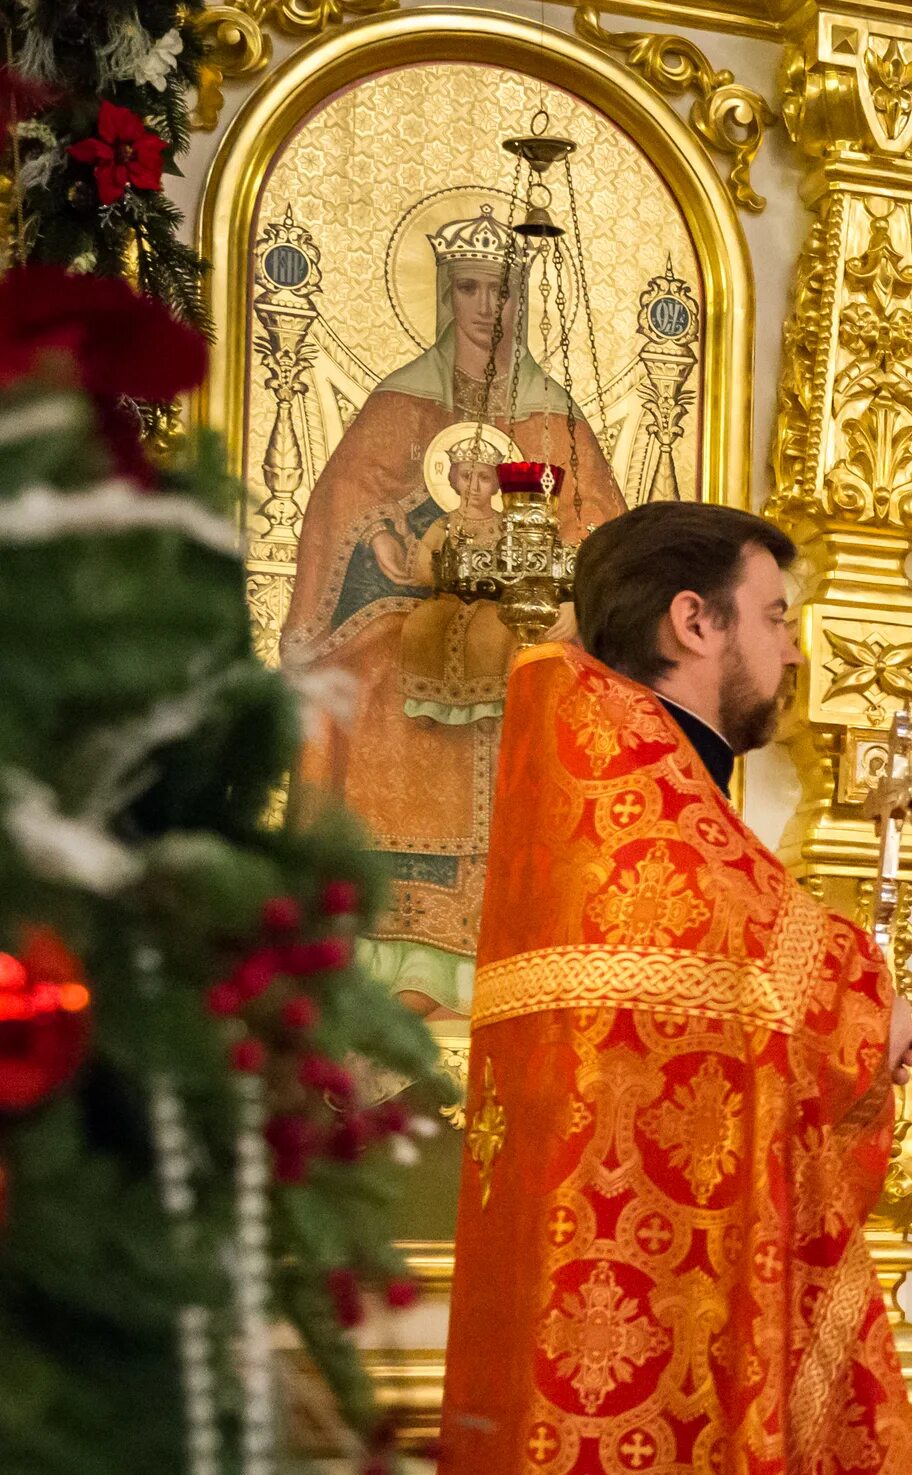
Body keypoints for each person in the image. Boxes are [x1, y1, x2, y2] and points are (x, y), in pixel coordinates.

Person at [389, 503, 912, 1475]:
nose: (788, 650)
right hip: (652, 1361)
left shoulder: (616, 788)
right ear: (694, 624)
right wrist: (868, 1017)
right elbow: (748, 990)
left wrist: (838, 1008)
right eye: (773, 615)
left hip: (629, 1342)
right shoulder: (640, 810)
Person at [288, 205, 626, 1017]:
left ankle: (508, 948)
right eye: (470, 288)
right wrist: (395, 535)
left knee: (541, 682)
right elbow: (345, 512)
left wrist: (562, 571)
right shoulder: (398, 402)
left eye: (501, 291)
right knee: (370, 677)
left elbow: (600, 527)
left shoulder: (555, 413)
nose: (486, 307)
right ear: (446, 295)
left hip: (524, 627)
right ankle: (385, 960)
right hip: (414, 613)